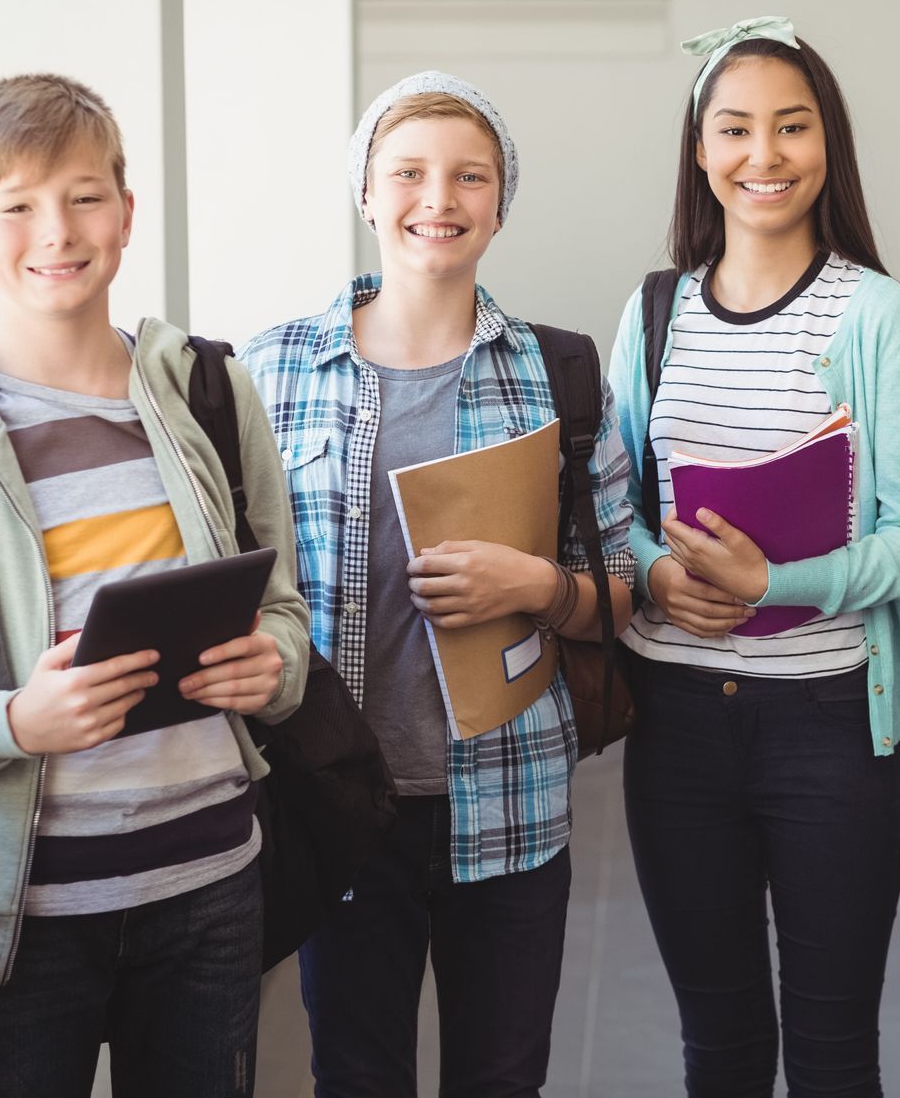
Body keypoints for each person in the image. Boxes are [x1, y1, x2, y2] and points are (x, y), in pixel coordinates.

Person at [0, 72, 309, 1096]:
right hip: (26, 919)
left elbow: (284, 608)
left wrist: (270, 665)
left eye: (84, 194)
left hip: (212, 888)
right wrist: (17, 718)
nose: (56, 228)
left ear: (127, 212)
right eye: (17, 204)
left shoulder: (211, 387)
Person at [240, 71, 636, 1097]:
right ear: (367, 194)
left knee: (501, 1081)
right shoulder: (271, 370)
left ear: (501, 204)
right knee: (357, 1077)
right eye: (408, 172)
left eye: (471, 176)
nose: (439, 198)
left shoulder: (558, 373)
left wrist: (540, 584)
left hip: (509, 802)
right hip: (337, 803)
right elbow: (193, 552)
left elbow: (628, 584)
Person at [607, 17, 900, 1097]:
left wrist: (776, 586)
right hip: (678, 725)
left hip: (830, 727)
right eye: (737, 129)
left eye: (792, 127)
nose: (765, 155)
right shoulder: (654, 311)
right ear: (701, 152)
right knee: (721, 1049)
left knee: (837, 1055)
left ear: (828, 144)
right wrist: (659, 571)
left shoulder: (878, 312)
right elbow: (608, 502)